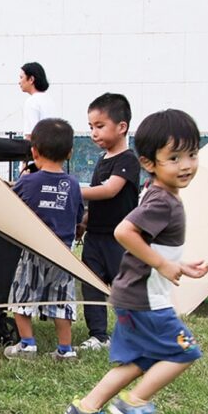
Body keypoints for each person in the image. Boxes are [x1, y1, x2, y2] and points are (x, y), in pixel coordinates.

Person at [63, 109, 208, 414]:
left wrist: (176, 264)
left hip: (131, 295)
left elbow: (149, 245)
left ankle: (85, 408)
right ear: (149, 163)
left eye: (192, 154)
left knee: (139, 361)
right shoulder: (163, 202)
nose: (185, 165)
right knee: (184, 351)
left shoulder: (158, 192)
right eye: (174, 158)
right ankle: (136, 402)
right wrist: (163, 264)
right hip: (146, 301)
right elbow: (124, 232)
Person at [5, 117, 83, 361]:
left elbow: (10, 203)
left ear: (34, 151)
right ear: (70, 153)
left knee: (22, 296)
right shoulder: (73, 185)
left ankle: (27, 344)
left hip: (34, 251)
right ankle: (65, 349)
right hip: (63, 254)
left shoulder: (28, 181)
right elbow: (79, 216)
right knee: (62, 300)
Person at [76, 93, 140, 351]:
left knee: (122, 288)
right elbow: (97, 200)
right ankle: (99, 335)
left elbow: (109, 191)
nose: (93, 133)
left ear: (121, 127)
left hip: (119, 238)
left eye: (99, 126)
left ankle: (134, 333)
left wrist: (71, 188)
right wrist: (83, 221)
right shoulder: (102, 161)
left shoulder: (128, 161)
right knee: (91, 284)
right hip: (94, 237)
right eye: (91, 127)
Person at [19, 62, 56, 139]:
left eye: (21, 77)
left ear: (31, 79)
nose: (19, 82)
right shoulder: (50, 100)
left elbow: (31, 135)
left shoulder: (32, 102)